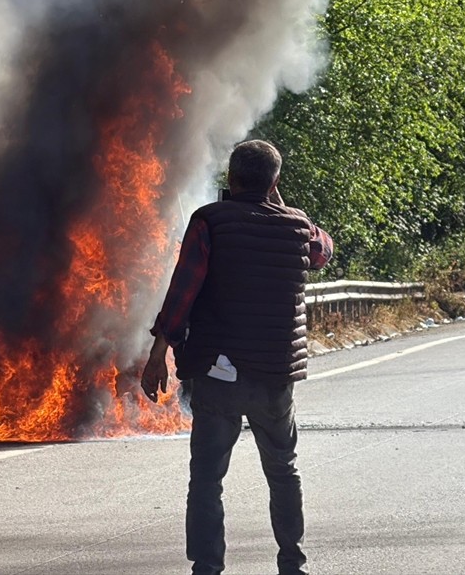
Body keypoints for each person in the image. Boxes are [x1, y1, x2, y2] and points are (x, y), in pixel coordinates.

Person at [142, 139, 333, 575]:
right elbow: (323, 252)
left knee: (207, 478)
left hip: (217, 372)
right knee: (283, 471)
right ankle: (292, 563)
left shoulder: (210, 221)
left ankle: (207, 568)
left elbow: (182, 292)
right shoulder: (298, 226)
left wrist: (159, 354)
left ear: (230, 178)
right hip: (274, 375)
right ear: (275, 182)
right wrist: (282, 205)